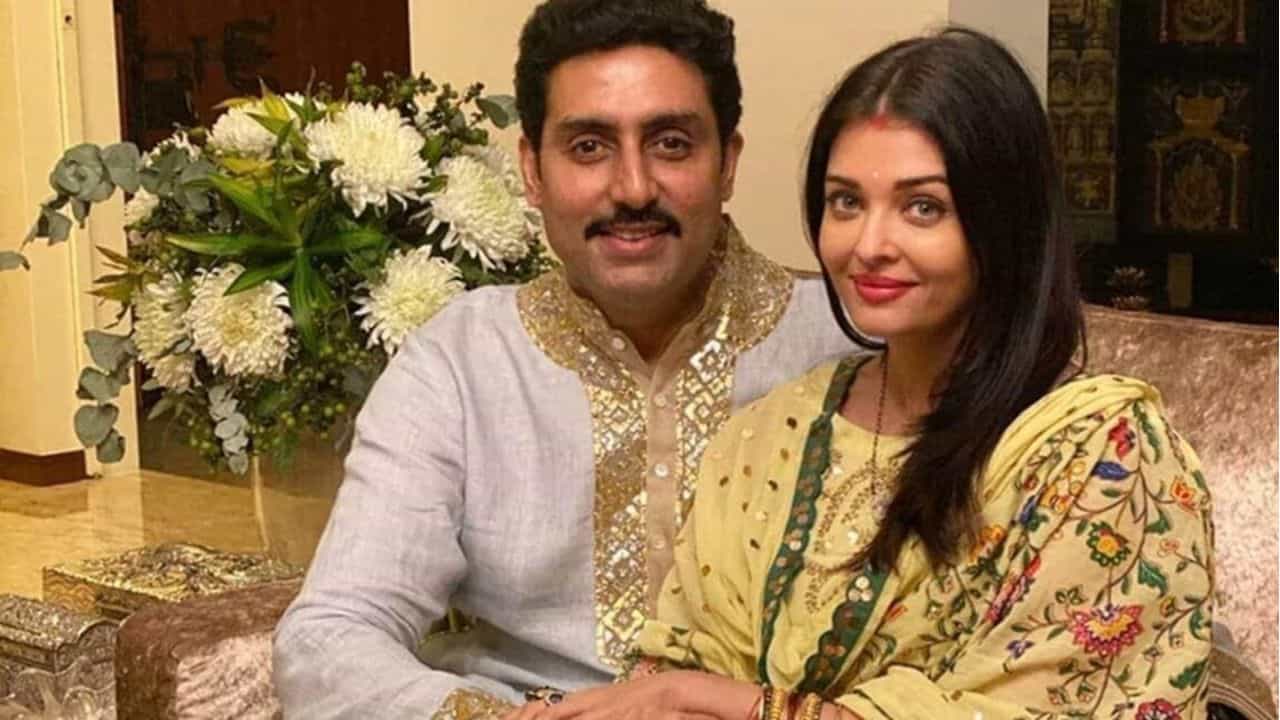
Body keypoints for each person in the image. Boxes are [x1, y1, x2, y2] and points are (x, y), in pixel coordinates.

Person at [511, 28, 1215, 720]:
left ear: (1006, 221)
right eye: (846, 201)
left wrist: (721, 702)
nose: (869, 245)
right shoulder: (767, 438)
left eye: (923, 207)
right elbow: (672, 676)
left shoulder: (1104, 454)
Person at [272, 1, 854, 717]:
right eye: (588, 147)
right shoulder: (462, 360)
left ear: (728, 162)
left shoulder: (846, 345)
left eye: (672, 143)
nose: (633, 188)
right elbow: (329, 634)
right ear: (533, 170)